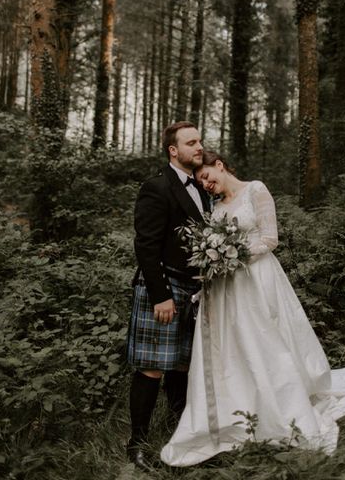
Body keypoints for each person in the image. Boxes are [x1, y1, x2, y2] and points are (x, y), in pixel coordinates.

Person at [161, 151, 345, 466]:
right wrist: (215, 259)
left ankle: (282, 404)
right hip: (226, 289)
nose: (207, 184)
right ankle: (241, 408)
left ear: (219, 165)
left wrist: (233, 254)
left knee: (267, 340)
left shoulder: (256, 190)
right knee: (235, 348)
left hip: (259, 280)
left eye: (208, 176)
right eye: (201, 183)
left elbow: (270, 238)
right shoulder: (216, 208)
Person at [126, 121, 211, 469]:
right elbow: (145, 245)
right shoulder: (157, 186)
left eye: (200, 141)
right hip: (162, 286)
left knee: (181, 365)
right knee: (152, 367)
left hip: (194, 288)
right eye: (191, 142)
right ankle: (137, 445)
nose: (199, 147)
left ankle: (181, 435)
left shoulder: (204, 189)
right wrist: (161, 295)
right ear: (173, 150)